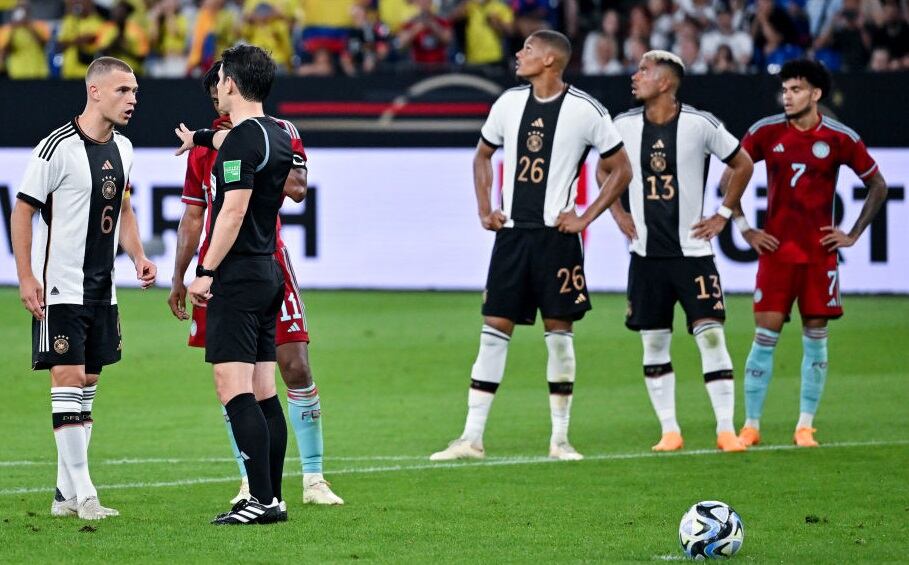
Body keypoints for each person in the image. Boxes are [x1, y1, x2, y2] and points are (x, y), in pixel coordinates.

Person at [430, 30, 632, 461]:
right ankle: (471, 437)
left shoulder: (586, 110)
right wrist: (486, 208)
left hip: (556, 240)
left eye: (527, 49)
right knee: (492, 332)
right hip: (513, 237)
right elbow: (483, 155)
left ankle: (560, 439)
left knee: (559, 336)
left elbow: (621, 169)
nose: (519, 55)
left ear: (549, 61)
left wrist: (584, 216)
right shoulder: (507, 103)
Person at [169, 61, 343, 507]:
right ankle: (257, 484)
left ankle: (310, 478)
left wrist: (255, 166)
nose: (218, 103)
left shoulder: (273, 132)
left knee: (284, 369)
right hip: (226, 263)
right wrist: (179, 275)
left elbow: (294, 189)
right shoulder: (217, 142)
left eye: (221, 91)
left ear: (234, 86)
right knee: (246, 381)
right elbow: (193, 215)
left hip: (251, 263)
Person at [10, 57, 156, 520]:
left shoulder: (125, 148)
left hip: (102, 287)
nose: (132, 99)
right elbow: (22, 210)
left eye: (134, 91)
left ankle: (62, 493)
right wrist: (27, 276)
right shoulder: (56, 147)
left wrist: (137, 256)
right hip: (60, 286)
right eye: (122, 91)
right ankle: (86, 493)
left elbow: (125, 208)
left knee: (88, 381)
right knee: (67, 378)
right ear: (95, 92)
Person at [733, 59, 887, 448]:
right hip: (777, 254)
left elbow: (878, 185)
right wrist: (744, 226)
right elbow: (730, 172)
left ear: (816, 94)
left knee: (815, 338)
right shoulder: (765, 132)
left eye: (796, 89)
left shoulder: (839, 138)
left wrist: (852, 234)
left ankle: (805, 426)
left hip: (819, 257)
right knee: (763, 336)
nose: (787, 96)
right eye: (785, 89)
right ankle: (751, 425)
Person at [609, 50, 754, 453]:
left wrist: (723, 214)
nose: (635, 76)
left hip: (693, 255)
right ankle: (669, 430)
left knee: (710, 337)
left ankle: (726, 428)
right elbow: (605, 170)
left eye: (644, 71)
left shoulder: (699, 124)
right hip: (645, 258)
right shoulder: (622, 125)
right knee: (654, 343)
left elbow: (742, 164)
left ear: (666, 82)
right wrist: (617, 212)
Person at [179, 44, 293, 525]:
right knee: (265, 390)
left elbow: (232, 211)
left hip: (239, 275)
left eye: (222, 78)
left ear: (231, 84)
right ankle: (273, 497)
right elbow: (231, 146)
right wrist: (201, 137)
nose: (217, 86)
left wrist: (204, 271)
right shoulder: (277, 135)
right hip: (268, 270)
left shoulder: (244, 139)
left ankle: (260, 501)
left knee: (233, 388)